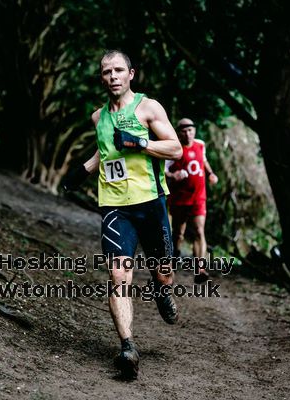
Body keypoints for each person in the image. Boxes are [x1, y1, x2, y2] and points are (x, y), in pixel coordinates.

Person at [62, 50, 182, 380]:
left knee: (163, 273)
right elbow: (108, 151)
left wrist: (141, 143)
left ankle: (162, 290)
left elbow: (175, 148)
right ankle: (128, 347)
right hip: (116, 207)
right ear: (101, 78)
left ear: (131, 74)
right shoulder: (98, 118)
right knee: (118, 276)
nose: (112, 76)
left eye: (118, 70)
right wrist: (83, 170)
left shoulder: (148, 107)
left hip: (152, 203)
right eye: (106, 72)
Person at [165, 118, 218, 283]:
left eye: (190, 130)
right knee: (178, 234)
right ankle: (172, 263)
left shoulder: (200, 144)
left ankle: (199, 269)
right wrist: (173, 175)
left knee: (199, 231)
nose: (187, 134)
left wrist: (210, 174)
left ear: (194, 131)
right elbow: (163, 170)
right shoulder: (174, 149)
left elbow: (204, 160)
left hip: (198, 198)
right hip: (180, 199)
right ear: (178, 132)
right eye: (184, 131)